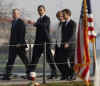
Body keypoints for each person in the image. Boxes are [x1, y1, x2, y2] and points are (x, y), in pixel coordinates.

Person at [29, 5, 57, 79]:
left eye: (41, 10)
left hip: (46, 42)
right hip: (38, 42)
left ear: (44, 11)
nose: (40, 11)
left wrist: (34, 23)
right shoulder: (38, 19)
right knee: (34, 58)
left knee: (49, 58)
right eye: (38, 10)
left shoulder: (47, 18)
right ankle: (31, 74)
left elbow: (44, 25)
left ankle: (54, 73)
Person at [1, 8, 29, 80]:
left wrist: (20, 43)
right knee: (10, 61)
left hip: (20, 46)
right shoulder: (13, 22)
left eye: (15, 13)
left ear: (18, 14)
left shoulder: (21, 22)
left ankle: (30, 74)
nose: (14, 15)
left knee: (25, 60)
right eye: (13, 13)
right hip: (13, 45)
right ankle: (7, 75)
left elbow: (22, 33)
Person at [61, 9, 76, 80]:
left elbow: (72, 35)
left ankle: (73, 75)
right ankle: (68, 74)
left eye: (63, 14)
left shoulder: (73, 23)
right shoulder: (63, 24)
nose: (62, 15)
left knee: (71, 61)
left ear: (68, 14)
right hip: (64, 45)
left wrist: (68, 43)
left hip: (71, 45)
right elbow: (63, 35)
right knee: (63, 60)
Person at [54, 11, 66, 80]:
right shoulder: (58, 24)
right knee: (56, 59)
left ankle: (65, 74)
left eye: (61, 16)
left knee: (63, 60)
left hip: (63, 44)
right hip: (57, 44)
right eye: (58, 16)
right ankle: (62, 73)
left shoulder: (66, 24)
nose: (59, 18)